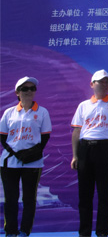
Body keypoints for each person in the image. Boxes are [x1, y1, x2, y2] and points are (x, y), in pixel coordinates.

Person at [71, 69, 108, 237]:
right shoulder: (83, 105)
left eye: (107, 82)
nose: (104, 84)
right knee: (84, 193)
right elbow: (76, 132)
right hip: (85, 149)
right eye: (101, 82)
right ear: (92, 84)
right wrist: (75, 155)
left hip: (105, 149)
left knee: (104, 193)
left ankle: (102, 231)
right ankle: (84, 232)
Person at [1, 76, 52, 237]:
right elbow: (3, 137)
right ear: (17, 93)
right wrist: (17, 154)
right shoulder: (9, 112)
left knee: (29, 199)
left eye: (32, 88)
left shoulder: (42, 112)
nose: (29, 92)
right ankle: (11, 232)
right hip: (10, 162)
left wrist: (30, 155)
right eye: (25, 89)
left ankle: (24, 231)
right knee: (11, 198)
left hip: (33, 163)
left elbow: (45, 137)